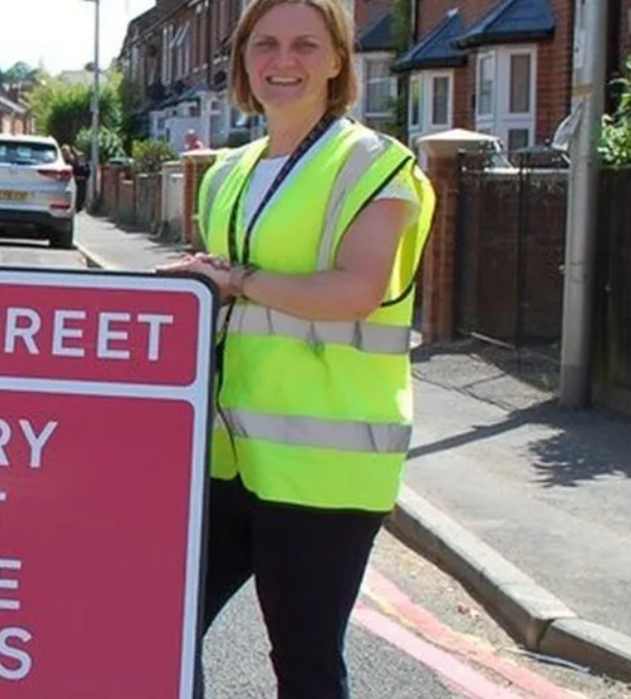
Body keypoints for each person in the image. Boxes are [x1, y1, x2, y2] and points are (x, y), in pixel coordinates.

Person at [156, 0, 437, 696]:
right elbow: (223, 301)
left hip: (325, 465)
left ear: (339, 60)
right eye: (267, 44)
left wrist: (238, 280)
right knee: (156, 621)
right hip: (228, 453)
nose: (284, 62)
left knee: (305, 661)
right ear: (244, 60)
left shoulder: (376, 165)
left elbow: (357, 290)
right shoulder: (228, 172)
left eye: (307, 46)